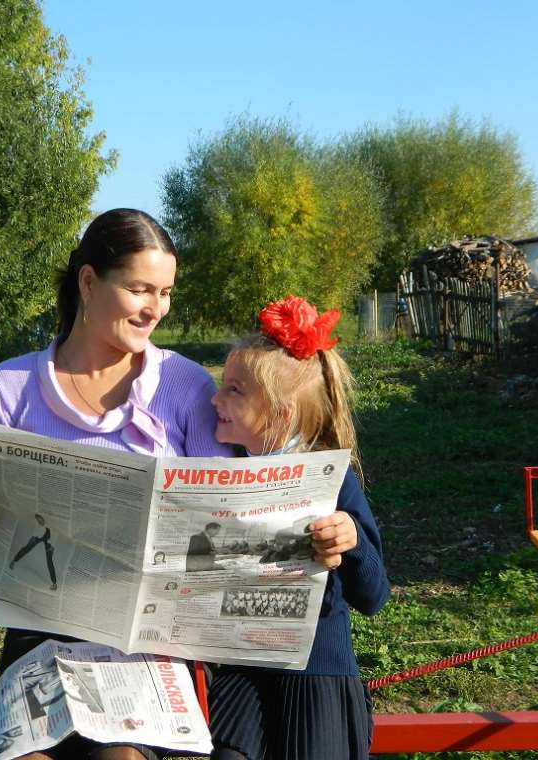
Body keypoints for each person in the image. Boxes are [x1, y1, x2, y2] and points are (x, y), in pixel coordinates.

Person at [0, 208, 234, 760]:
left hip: (147, 639)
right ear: (88, 282)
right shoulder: (11, 387)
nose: (156, 309)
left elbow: (222, 522)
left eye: (166, 293)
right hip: (38, 632)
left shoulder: (185, 385)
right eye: (139, 289)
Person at [207, 295, 391, 760]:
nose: (215, 400)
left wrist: (350, 538)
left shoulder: (330, 477)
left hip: (316, 670)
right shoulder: (217, 468)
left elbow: (373, 596)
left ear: (281, 412)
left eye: (234, 390)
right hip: (242, 670)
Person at [9, 514, 58, 591]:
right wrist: (33, 539)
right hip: (39, 535)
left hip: (48, 537)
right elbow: (34, 537)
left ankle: (54, 583)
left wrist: (52, 547)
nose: (40, 521)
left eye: (40, 519)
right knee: (27, 548)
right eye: (38, 520)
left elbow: (53, 535)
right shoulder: (38, 528)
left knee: (49, 560)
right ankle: (14, 561)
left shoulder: (50, 526)